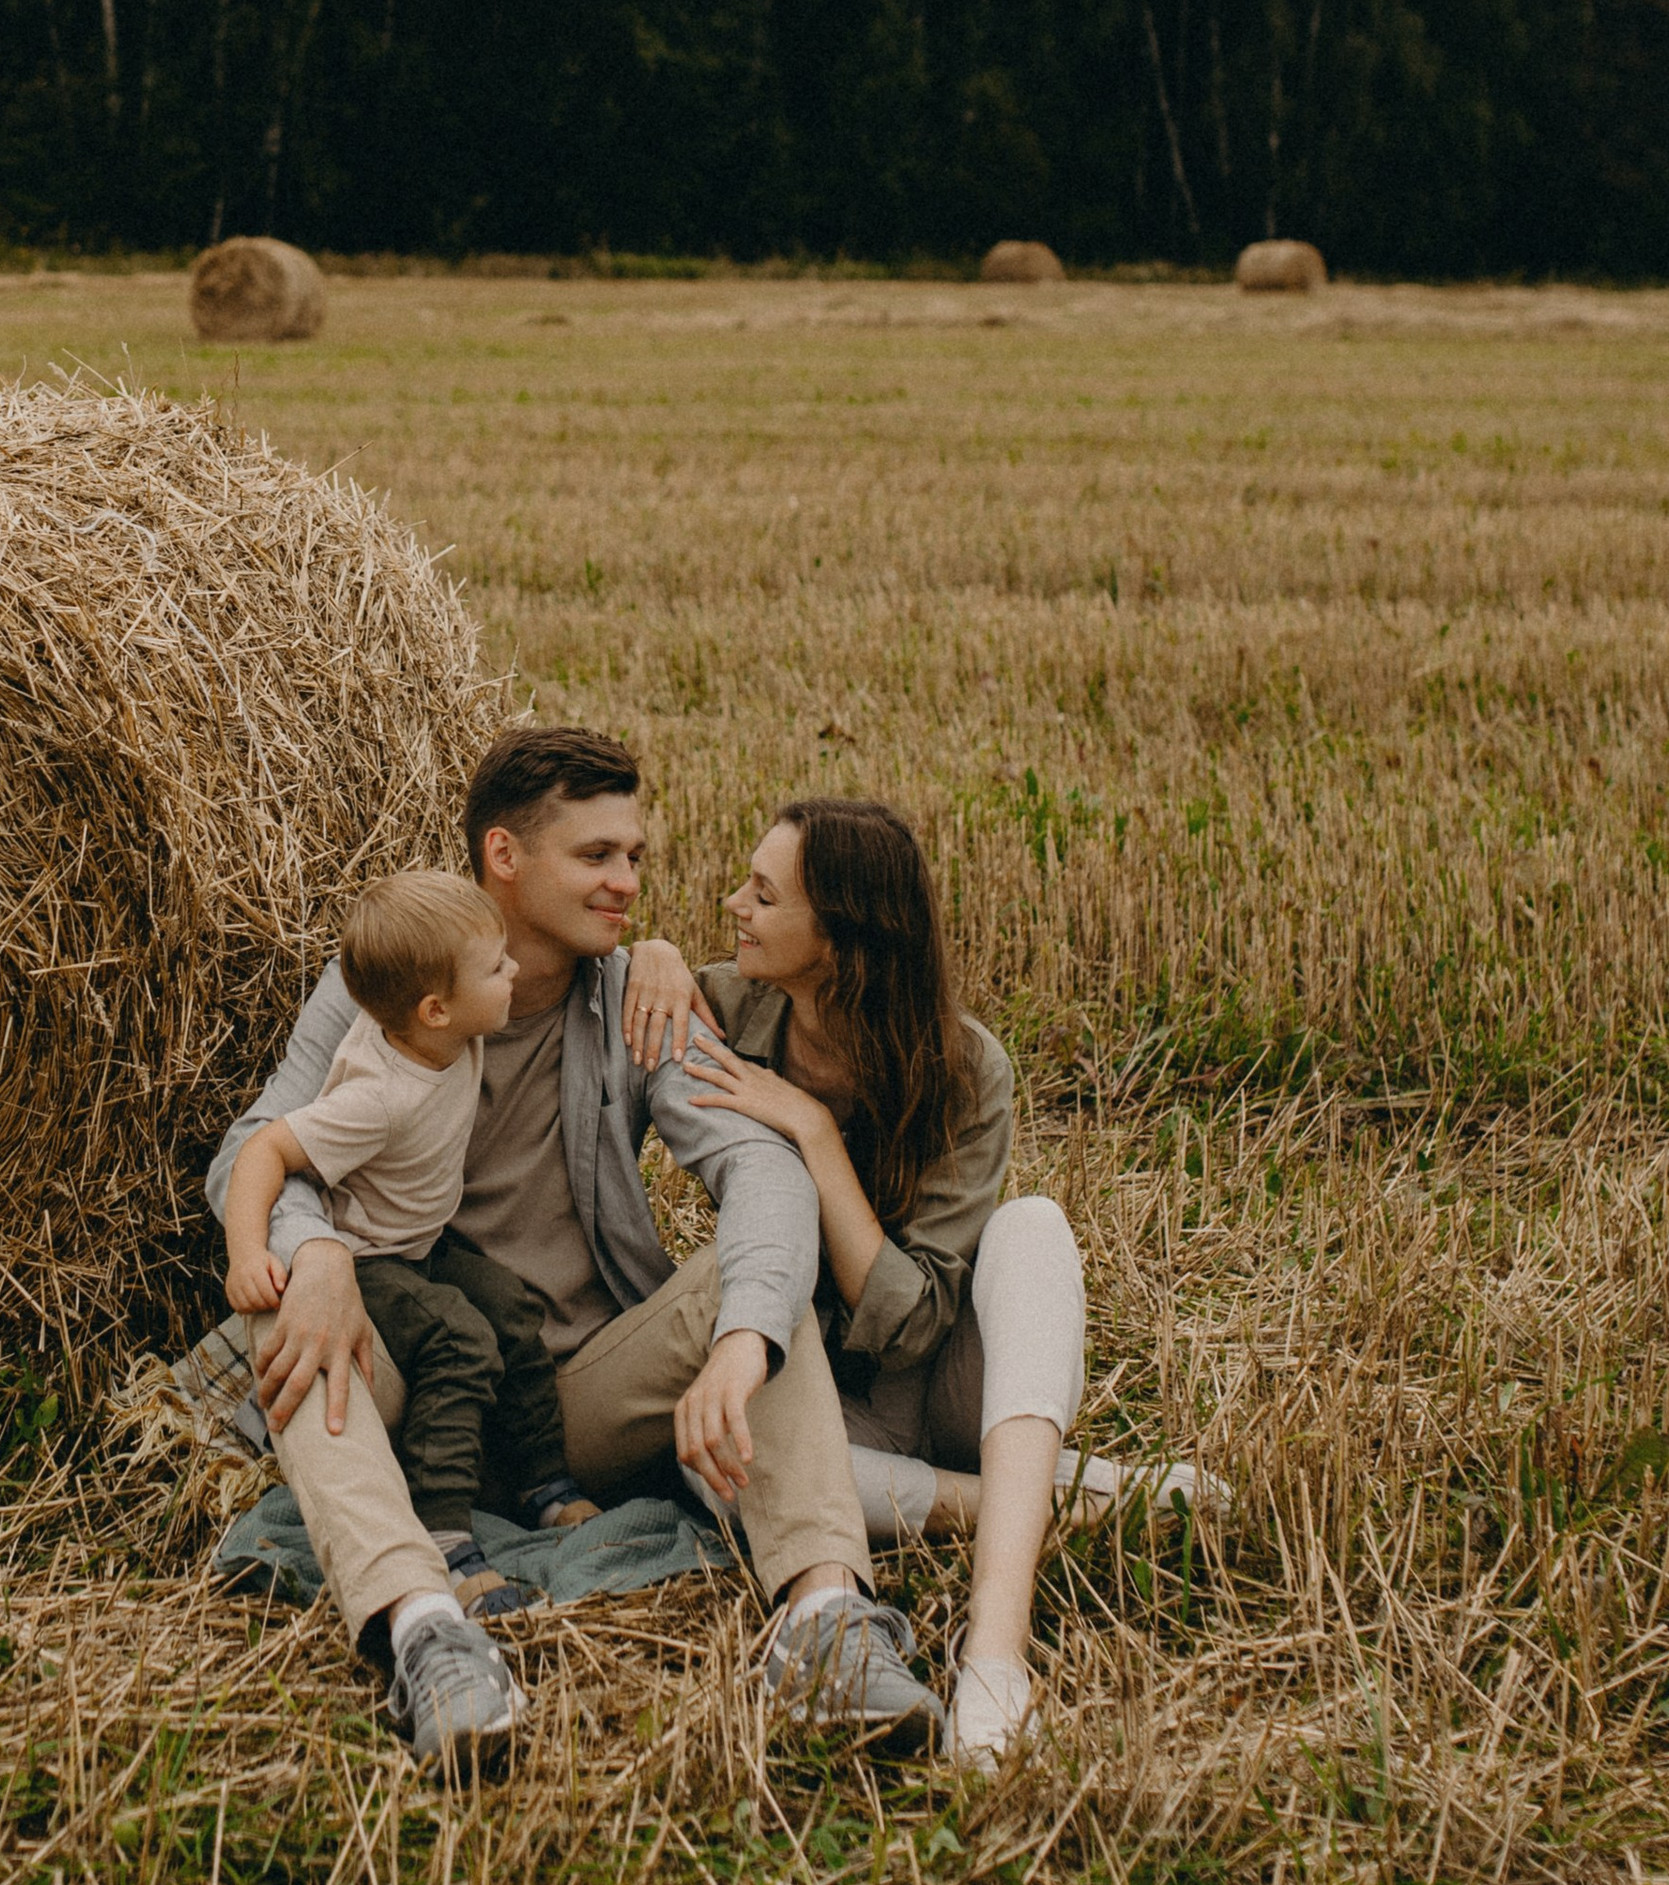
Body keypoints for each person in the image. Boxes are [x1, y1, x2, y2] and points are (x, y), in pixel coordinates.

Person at [206, 725, 942, 1780]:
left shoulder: (638, 996)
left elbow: (762, 1169)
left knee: (753, 1275)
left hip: (577, 1398)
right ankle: (424, 1630)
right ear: (504, 857)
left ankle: (824, 1620)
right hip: (412, 1370)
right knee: (286, 1292)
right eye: (597, 856)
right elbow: (253, 1148)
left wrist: (743, 1338)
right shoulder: (384, 980)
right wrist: (312, 1246)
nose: (627, 882)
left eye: (634, 856)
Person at [679, 798, 1086, 1770]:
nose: (733, 904)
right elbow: (601, 991)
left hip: (937, 1379)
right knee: (706, 1468)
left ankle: (994, 1659)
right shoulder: (730, 1007)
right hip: (820, 1409)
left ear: (838, 941)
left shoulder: (965, 1066)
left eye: (763, 894)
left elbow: (910, 1324)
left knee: (1032, 1228)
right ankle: (1025, 1500)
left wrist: (814, 1137)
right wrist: (647, 956)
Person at [219, 868, 599, 1622]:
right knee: (460, 1341)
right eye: (496, 968)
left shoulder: (451, 1029)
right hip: (368, 1257)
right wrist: (246, 1255)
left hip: (420, 1242)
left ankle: (543, 1482)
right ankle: (444, 1530)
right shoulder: (376, 1096)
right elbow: (261, 1150)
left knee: (506, 1306)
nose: (514, 969)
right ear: (435, 1008)